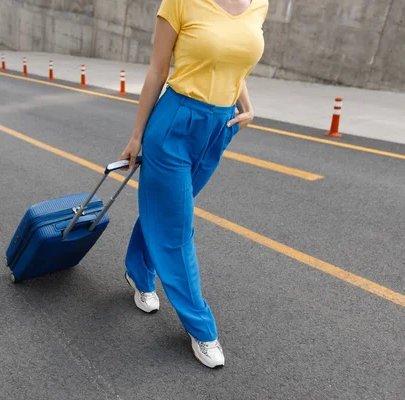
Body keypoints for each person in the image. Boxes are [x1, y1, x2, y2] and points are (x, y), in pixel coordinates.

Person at [119, 0, 269, 368]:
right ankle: (202, 329)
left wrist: (247, 106)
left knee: (165, 210)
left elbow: (235, 63)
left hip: (219, 128)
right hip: (174, 124)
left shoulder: (259, 4)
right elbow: (157, 70)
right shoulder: (180, 2)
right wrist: (137, 137)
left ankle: (137, 271)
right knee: (177, 228)